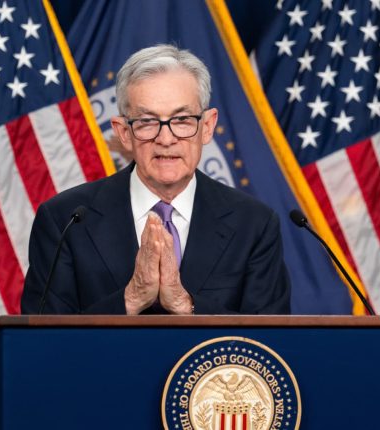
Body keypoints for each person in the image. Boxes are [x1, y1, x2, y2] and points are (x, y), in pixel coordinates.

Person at [21, 44, 291, 315]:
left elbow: (269, 337)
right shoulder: (64, 222)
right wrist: (131, 299)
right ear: (123, 132)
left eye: (182, 119)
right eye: (147, 122)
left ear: (207, 126)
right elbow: (43, 336)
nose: (166, 138)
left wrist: (185, 304)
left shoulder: (254, 225)